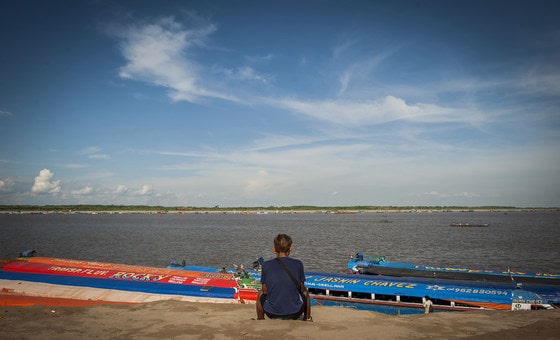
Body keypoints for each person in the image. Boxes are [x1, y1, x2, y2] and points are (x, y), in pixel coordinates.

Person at [256, 234, 312, 321]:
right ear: (290, 249)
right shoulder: (298, 264)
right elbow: (301, 288)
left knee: (260, 293)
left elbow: (264, 290)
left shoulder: (266, 265)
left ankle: (260, 319)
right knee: (305, 293)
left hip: (272, 313)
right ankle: (307, 318)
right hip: (295, 313)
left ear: (274, 249)